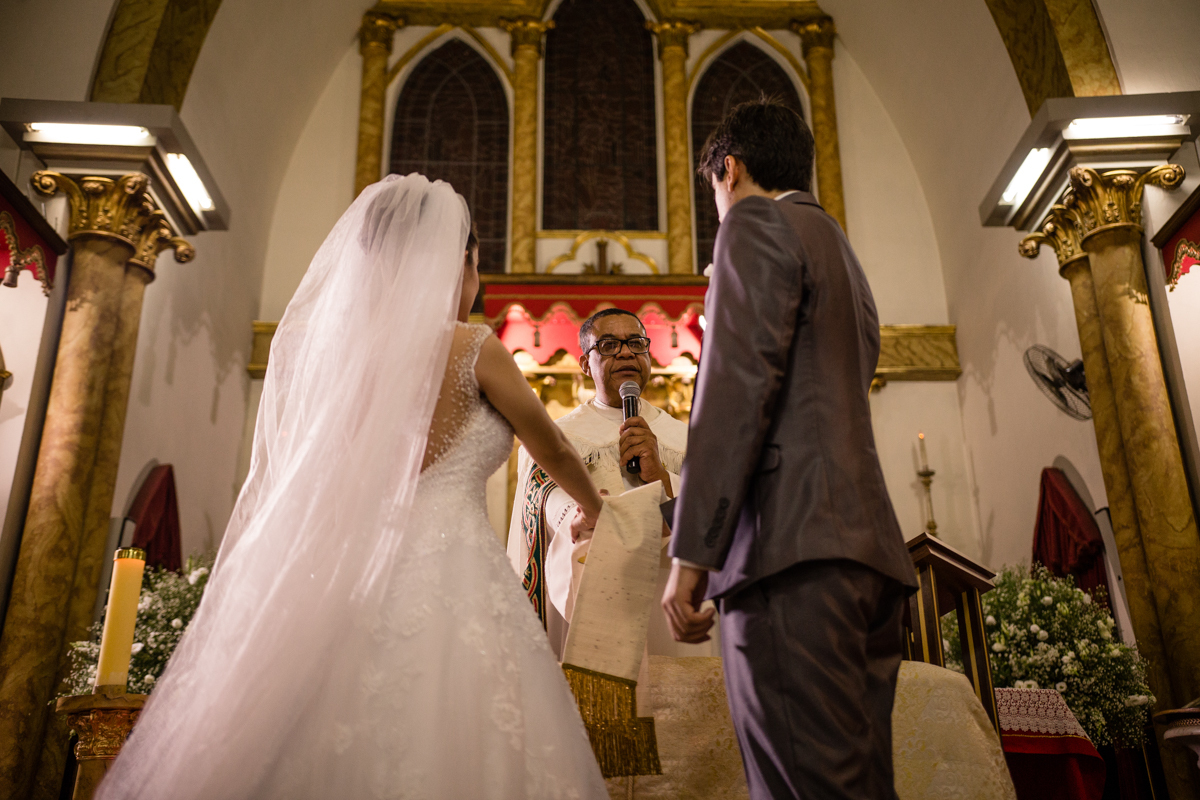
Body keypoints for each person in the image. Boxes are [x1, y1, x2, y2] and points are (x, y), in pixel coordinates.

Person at [97, 174, 608, 799]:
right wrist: (596, 507)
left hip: (342, 568)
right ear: (457, 262)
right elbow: (550, 444)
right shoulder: (472, 345)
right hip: (453, 569)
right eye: (475, 264)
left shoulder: (341, 356)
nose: (477, 284)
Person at [661, 100, 919, 799]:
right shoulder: (836, 246)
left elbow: (736, 391)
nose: (720, 207)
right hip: (866, 556)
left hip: (789, 556)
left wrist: (692, 556)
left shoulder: (754, 223)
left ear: (730, 169)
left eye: (715, 190)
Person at [506, 308, 713, 662]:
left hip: (667, 587)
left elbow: (710, 516)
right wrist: (574, 514)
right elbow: (539, 498)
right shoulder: (559, 436)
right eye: (608, 345)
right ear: (586, 365)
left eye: (636, 343)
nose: (626, 352)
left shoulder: (687, 439)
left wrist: (663, 479)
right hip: (591, 584)